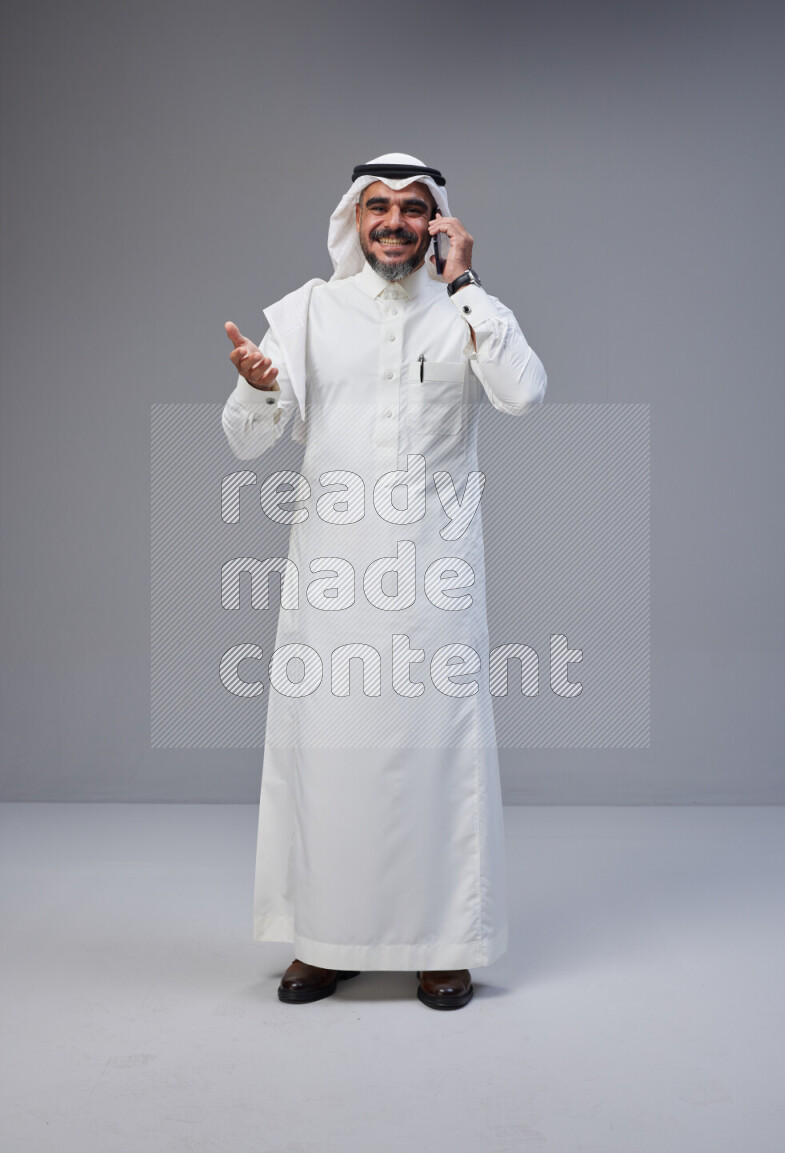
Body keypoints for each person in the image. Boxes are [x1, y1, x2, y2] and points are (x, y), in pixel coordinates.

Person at [221, 153, 546, 1010]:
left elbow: (523, 393)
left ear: (436, 220)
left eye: (412, 208)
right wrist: (257, 390)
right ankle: (326, 943)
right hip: (332, 577)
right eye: (378, 207)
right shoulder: (309, 312)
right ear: (353, 221)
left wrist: (467, 280)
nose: (394, 222)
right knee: (331, 761)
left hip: (437, 574)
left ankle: (446, 944)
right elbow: (249, 440)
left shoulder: (467, 314)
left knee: (439, 759)